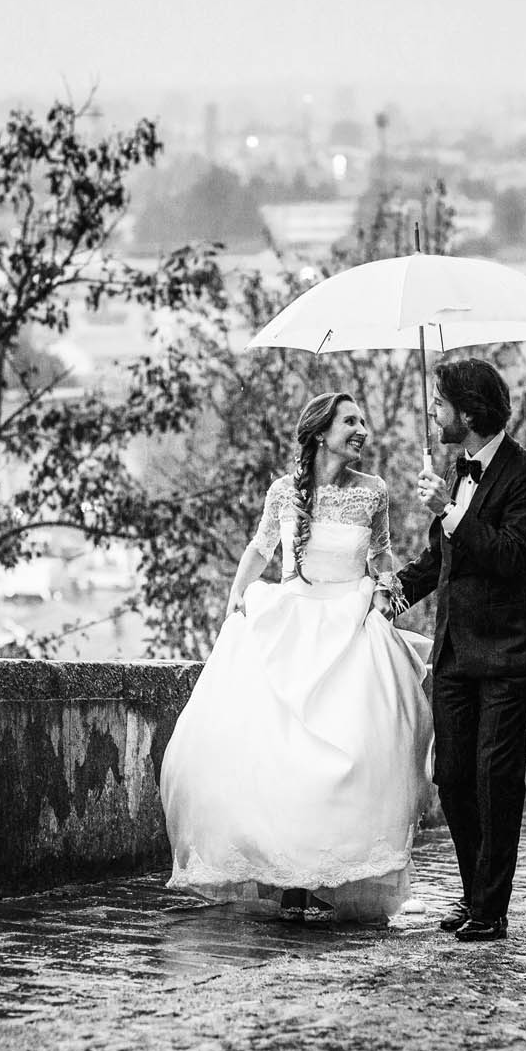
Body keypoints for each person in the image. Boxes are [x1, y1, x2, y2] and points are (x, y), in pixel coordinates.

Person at [159, 392, 432, 923]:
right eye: (349, 421)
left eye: (362, 421)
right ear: (319, 432)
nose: (361, 430)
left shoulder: (372, 492)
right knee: (281, 755)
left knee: (352, 755)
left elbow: (381, 556)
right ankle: (289, 881)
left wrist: (386, 597)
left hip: (350, 627)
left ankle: (329, 872)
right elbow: (260, 549)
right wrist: (237, 600)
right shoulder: (284, 492)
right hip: (291, 623)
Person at [382, 358, 526, 943]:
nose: (433, 413)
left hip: (511, 653)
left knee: (494, 776)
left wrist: (449, 511)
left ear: (469, 412)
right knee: (453, 777)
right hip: (455, 651)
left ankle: (491, 905)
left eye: (440, 404)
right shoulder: (457, 473)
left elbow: (510, 556)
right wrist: (393, 593)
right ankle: (474, 889)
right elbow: (442, 560)